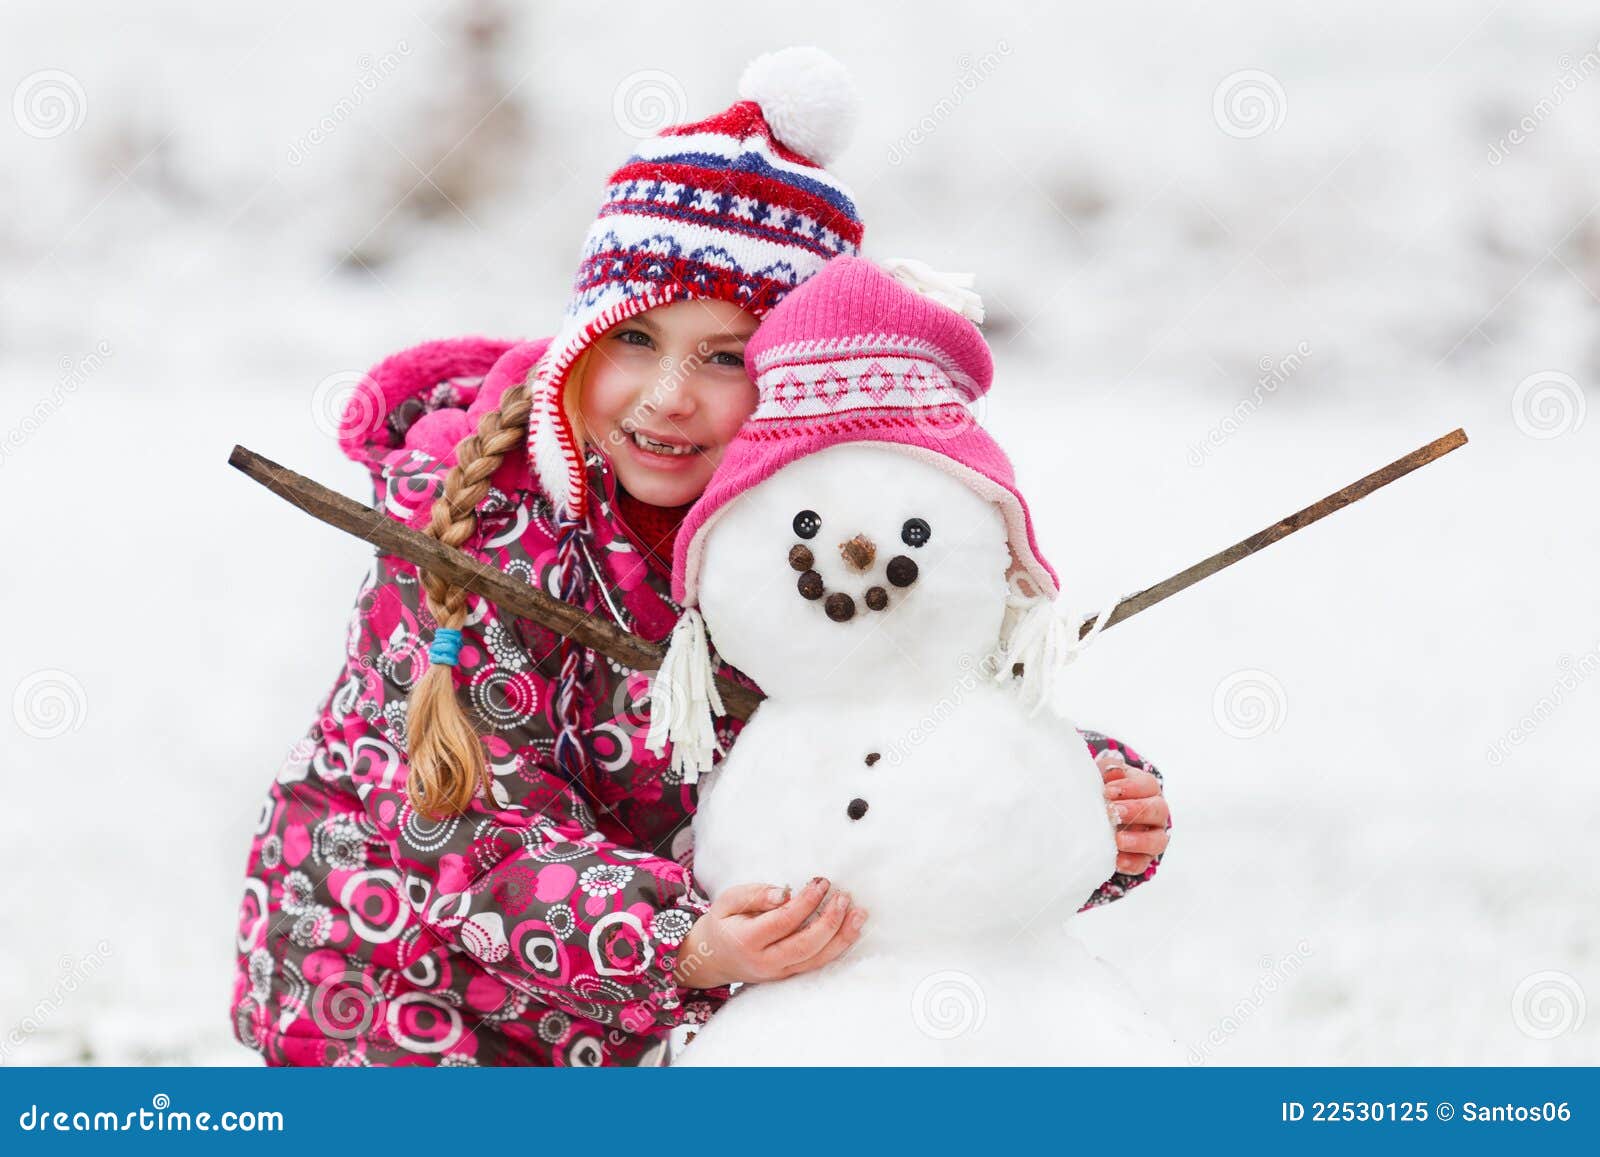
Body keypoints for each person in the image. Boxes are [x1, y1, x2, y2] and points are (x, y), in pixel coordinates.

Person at [229, 47, 1170, 1067]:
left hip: (669, 993)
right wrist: (680, 940)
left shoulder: (803, 550)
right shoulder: (473, 537)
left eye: (724, 356)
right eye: (634, 339)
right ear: (580, 340)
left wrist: (1077, 804)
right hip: (401, 992)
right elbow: (463, 837)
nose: (668, 395)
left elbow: (911, 717)